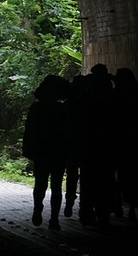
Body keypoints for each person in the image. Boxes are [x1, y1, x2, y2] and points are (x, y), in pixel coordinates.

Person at [21, 74, 70, 231]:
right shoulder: (62, 109)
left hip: (41, 151)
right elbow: (67, 133)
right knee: (56, 186)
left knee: (40, 183)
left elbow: (29, 131)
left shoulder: (36, 108)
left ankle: (37, 209)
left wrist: (28, 149)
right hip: (58, 152)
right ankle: (54, 219)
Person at [77, 63, 117, 230]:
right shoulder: (112, 97)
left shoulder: (86, 98)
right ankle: (103, 214)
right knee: (106, 181)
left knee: (88, 181)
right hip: (107, 146)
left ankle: (87, 213)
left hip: (88, 147)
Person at [112, 67, 138, 223]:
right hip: (134, 142)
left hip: (117, 140)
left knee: (116, 173)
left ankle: (117, 201)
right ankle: (131, 208)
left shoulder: (115, 97)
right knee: (132, 174)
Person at [63, 73, 85, 218]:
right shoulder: (89, 103)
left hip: (70, 145)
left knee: (71, 174)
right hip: (86, 145)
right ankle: (84, 205)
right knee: (86, 175)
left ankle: (70, 203)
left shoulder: (67, 104)